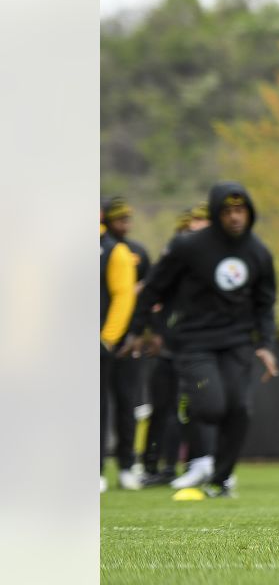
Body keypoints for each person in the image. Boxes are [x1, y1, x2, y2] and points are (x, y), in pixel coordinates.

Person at [130, 182, 279, 497]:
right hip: (195, 340)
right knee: (212, 406)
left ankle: (221, 479)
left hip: (237, 341)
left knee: (239, 408)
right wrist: (140, 329)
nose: (235, 217)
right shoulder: (188, 247)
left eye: (241, 210)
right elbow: (154, 287)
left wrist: (265, 345)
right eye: (228, 211)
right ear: (216, 213)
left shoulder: (258, 252)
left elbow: (265, 304)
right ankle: (195, 446)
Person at [140, 203, 214, 488]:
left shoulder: (212, 260)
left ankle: (196, 464)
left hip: (197, 346)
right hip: (170, 346)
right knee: (164, 409)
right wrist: (153, 332)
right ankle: (159, 465)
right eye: (188, 226)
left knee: (193, 409)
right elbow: (154, 296)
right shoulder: (172, 258)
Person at [100, 204, 139, 492]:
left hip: (117, 345)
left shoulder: (117, 251)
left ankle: (126, 465)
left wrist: (108, 338)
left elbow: (125, 297)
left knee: (124, 402)